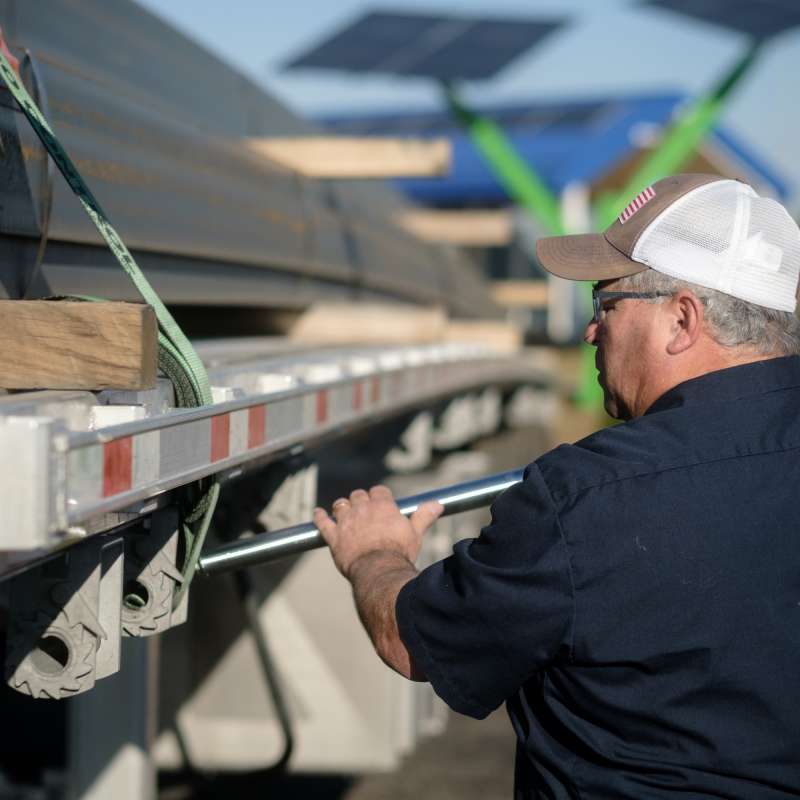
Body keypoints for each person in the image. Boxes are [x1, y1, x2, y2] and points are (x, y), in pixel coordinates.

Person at [313, 173, 800, 798]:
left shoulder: (587, 496)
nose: (591, 331)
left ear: (682, 319)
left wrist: (373, 555)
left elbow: (417, 644)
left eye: (606, 303)